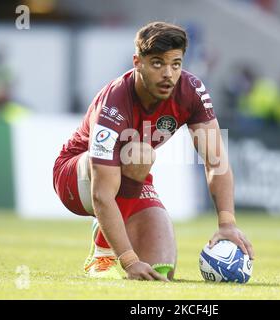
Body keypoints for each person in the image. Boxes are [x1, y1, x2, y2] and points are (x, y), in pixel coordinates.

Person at [53, 21, 254, 281]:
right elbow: (101, 193)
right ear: (137, 62)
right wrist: (128, 259)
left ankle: (114, 230)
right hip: (76, 176)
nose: (168, 74)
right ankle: (103, 252)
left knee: (159, 271)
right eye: (158, 63)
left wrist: (227, 224)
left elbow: (216, 161)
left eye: (176, 64)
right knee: (140, 154)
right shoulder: (115, 102)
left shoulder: (191, 91)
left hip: (129, 177)